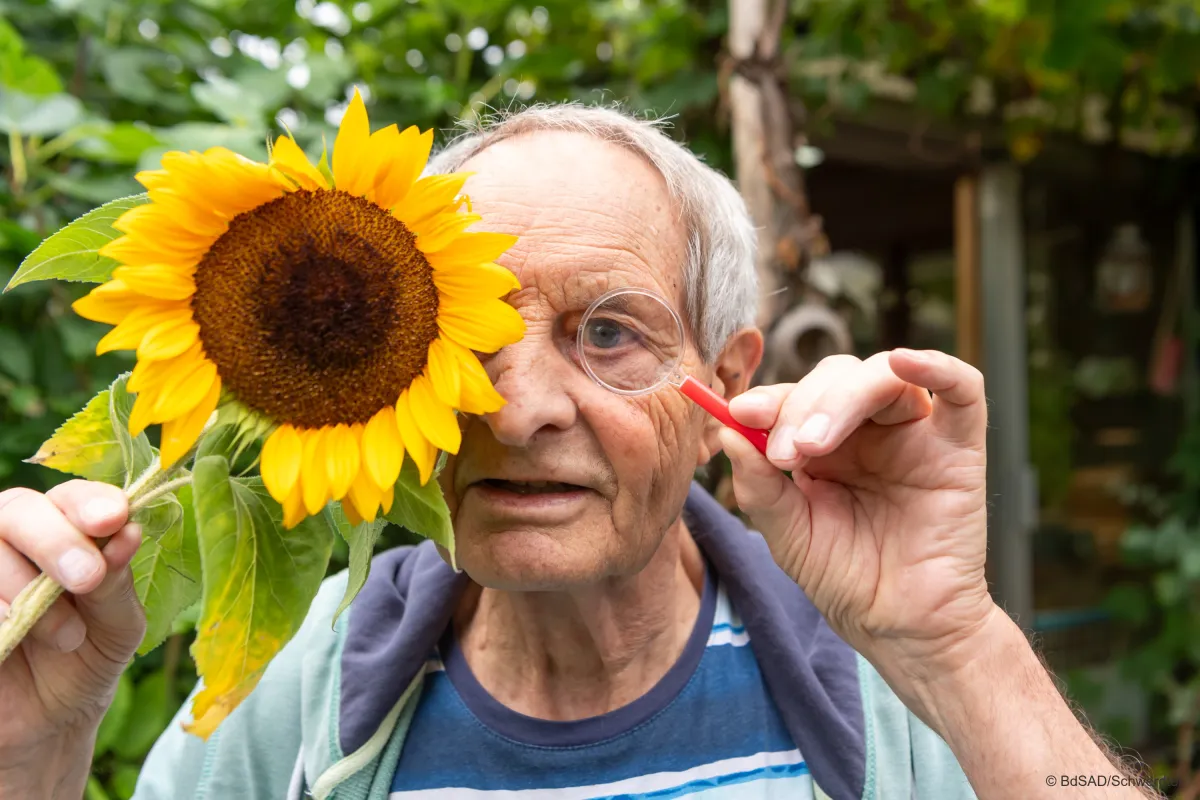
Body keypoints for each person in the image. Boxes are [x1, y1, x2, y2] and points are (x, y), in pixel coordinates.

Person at [0, 105, 1157, 800]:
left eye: (608, 332)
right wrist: (35, 757)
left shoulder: (875, 678)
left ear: (727, 388)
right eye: (474, 339)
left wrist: (957, 639)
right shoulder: (294, 691)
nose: (516, 412)